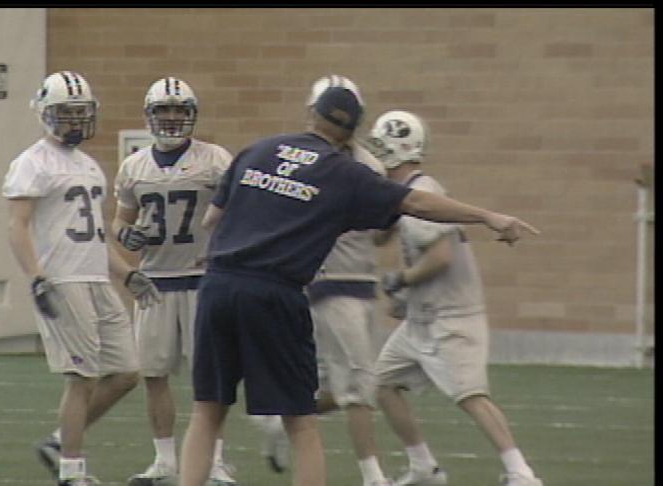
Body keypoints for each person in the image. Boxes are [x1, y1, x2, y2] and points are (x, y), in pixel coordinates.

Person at [177, 86, 539, 486]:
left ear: (310, 114)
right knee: (301, 423)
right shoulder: (344, 172)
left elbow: (212, 220)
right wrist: (489, 217)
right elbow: (417, 204)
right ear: (350, 134)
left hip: (219, 284)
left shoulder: (259, 149)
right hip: (275, 292)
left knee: (206, 412)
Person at [363, 110, 544, 486]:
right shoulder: (406, 194)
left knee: (469, 394)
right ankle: (423, 467)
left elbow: (440, 257)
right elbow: (383, 232)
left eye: (380, 148)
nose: (375, 155)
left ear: (398, 150)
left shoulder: (423, 192)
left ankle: (521, 473)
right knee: (381, 383)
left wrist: (400, 279)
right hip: (423, 318)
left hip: (452, 315)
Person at [3, 71, 160, 486]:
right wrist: (36, 276)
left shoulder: (88, 165)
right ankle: (72, 472)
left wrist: (126, 274)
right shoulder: (32, 162)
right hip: (63, 279)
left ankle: (58, 442)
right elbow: (17, 226)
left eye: (80, 113)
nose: (74, 121)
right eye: (65, 113)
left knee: (127, 372)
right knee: (82, 377)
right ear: (45, 114)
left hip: (95, 279)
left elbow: (95, 234)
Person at [250, 75, 394, 486]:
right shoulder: (307, 162)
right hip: (328, 283)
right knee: (360, 386)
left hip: (362, 281)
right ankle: (373, 475)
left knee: (336, 386)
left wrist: (398, 210)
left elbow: (380, 234)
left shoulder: (368, 164)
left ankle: (279, 422)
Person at [111, 76, 237, 486]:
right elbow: (120, 222)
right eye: (163, 110)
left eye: (178, 110)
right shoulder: (134, 166)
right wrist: (124, 235)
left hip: (204, 278)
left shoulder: (216, 159)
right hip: (155, 281)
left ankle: (215, 460)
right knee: (154, 373)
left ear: (191, 114)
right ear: (149, 115)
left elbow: (237, 213)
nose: (170, 118)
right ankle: (165, 460)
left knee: (210, 375)